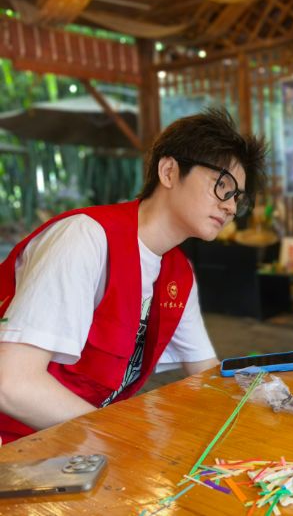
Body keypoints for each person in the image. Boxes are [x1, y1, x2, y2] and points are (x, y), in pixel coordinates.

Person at [0, 108, 267, 443]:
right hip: (16, 444)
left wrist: (265, 397)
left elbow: (206, 371)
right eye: (222, 186)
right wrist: (120, 439)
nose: (230, 207)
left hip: (80, 445)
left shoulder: (177, 273)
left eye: (237, 197)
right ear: (169, 172)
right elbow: (12, 384)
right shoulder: (85, 239)